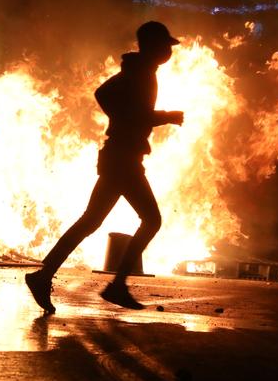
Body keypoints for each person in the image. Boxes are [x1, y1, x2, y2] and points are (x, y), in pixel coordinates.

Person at [25, 21, 185, 313]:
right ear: (152, 47)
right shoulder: (140, 72)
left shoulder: (140, 71)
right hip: (123, 158)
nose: (168, 51)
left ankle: (43, 275)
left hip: (121, 157)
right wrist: (165, 116)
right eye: (165, 46)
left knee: (90, 221)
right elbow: (121, 104)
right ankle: (116, 286)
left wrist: (128, 118)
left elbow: (110, 97)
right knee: (151, 220)